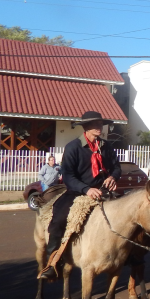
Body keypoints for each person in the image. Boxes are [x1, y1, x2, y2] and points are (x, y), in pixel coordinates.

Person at [39, 111, 121, 281]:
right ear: (85, 127)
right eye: (95, 124)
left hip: (103, 191)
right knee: (58, 220)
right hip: (78, 191)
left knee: (127, 213)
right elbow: (68, 175)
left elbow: (116, 167)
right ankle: (53, 263)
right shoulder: (73, 146)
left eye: (101, 124)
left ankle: (128, 255)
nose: (99, 127)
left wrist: (113, 176)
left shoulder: (106, 146)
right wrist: (86, 189)